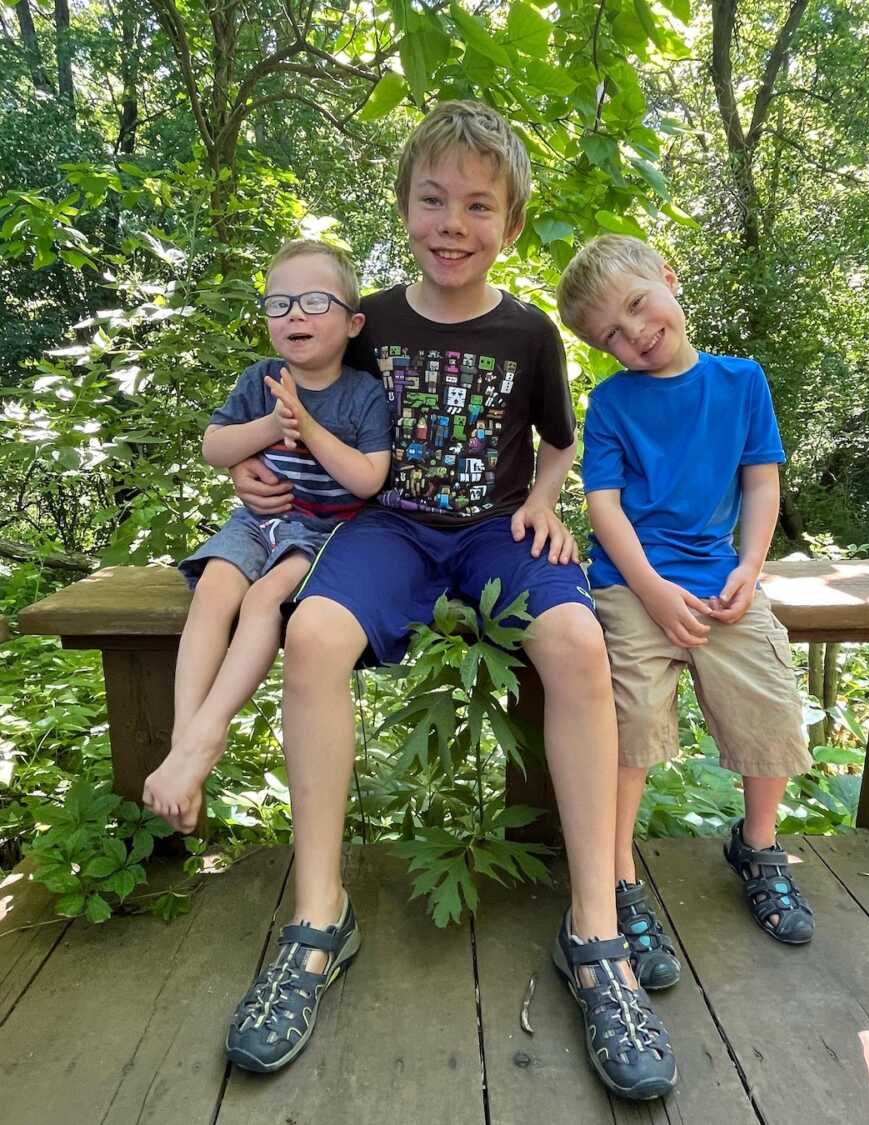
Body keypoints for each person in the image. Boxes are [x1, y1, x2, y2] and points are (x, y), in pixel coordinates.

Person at [226, 102, 677, 1100]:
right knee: (313, 639)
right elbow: (289, 402)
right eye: (433, 198)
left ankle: (594, 933)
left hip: (496, 530)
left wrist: (551, 501)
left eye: (479, 204)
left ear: (509, 225)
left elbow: (560, 437)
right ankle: (316, 920)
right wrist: (251, 476)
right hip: (386, 527)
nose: (453, 221)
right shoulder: (367, 321)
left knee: (575, 640)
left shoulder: (528, 331)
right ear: (405, 208)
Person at [557, 234, 815, 994]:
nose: (632, 333)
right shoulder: (610, 403)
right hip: (632, 585)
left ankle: (759, 845)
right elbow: (601, 504)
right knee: (629, 717)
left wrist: (749, 567)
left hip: (720, 578)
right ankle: (619, 877)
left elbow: (760, 483)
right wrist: (651, 589)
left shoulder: (741, 382)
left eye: (637, 305)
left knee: (769, 696)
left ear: (668, 279)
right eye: (610, 334)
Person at [142, 240, 391, 836]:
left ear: (352, 323)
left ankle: (209, 732)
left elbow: (368, 478)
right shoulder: (261, 380)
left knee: (261, 602)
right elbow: (213, 448)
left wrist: (306, 427)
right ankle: (186, 739)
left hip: (321, 530)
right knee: (214, 591)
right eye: (279, 304)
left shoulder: (362, 394)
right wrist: (267, 425)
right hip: (256, 521)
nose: (295, 315)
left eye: (313, 301)